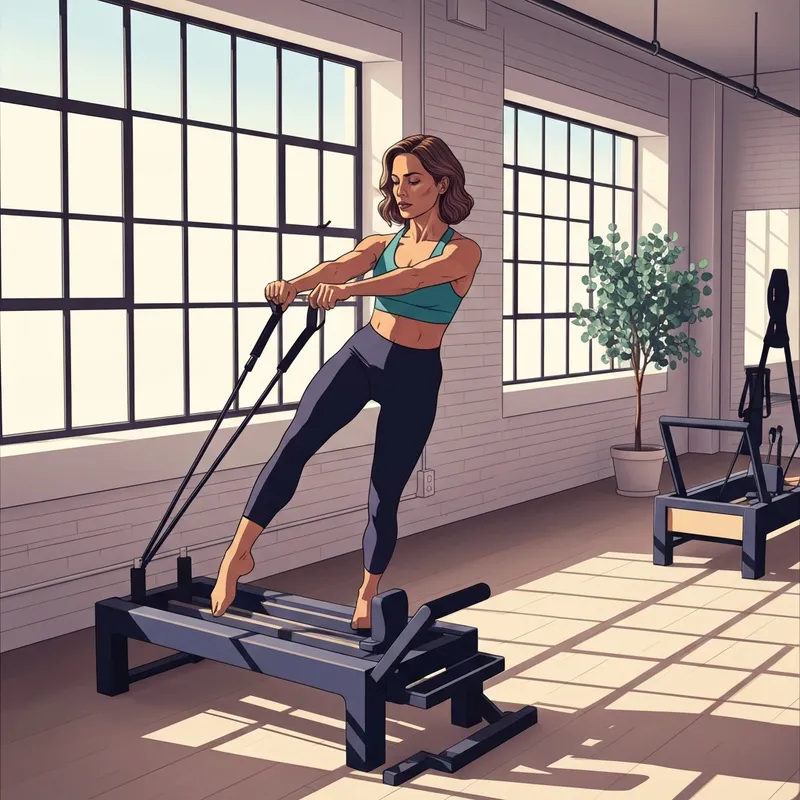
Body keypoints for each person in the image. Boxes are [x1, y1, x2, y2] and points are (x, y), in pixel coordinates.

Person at [210, 134, 482, 629]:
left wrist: (348, 291)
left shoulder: (463, 252)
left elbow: (415, 278)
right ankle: (238, 553)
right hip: (365, 353)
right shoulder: (382, 243)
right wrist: (295, 285)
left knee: (385, 489)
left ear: (441, 184)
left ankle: (368, 590)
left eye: (414, 180)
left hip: (415, 374)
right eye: (395, 181)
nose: (401, 191)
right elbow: (338, 265)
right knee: (295, 443)